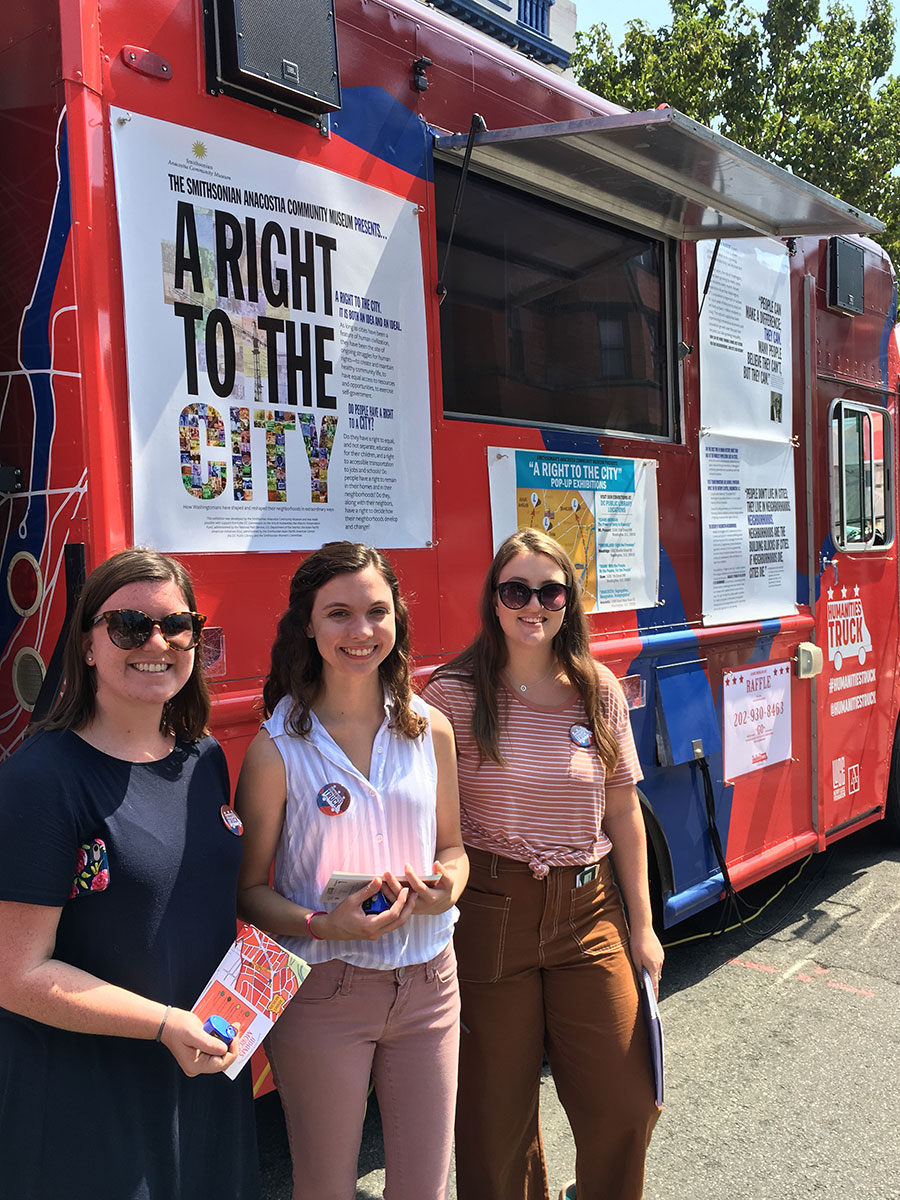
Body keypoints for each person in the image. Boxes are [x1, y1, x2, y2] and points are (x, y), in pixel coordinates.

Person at [0, 548, 259, 1200]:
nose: (158, 642)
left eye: (178, 625)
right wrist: (164, 1024)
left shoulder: (204, 761)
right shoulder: (42, 779)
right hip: (90, 1101)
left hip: (204, 1078)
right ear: (87, 646)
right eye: (128, 627)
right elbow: (16, 975)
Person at [425, 528, 663, 1200]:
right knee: (492, 1123)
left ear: (569, 602)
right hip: (492, 912)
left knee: (627, 1101)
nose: (534, 604)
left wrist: (643, 927)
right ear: (494, 602)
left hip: (589, 912)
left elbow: (624, 815)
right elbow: (431, 824)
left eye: (550, 591)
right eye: (516, 590)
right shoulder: (451, 697)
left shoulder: (599, 689)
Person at [235, 541, 468, 1200]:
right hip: (322, 995)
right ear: (307, 624)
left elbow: (455, 849)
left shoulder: (431, 730)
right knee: (325, 1188)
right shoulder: (276, 750)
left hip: (430, 984)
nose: (361, 632)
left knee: (423, 1189)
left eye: (376, 611)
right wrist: (321, 922)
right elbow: (249, 893)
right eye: (338, 614)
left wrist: (445, 885)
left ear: (397, 618)